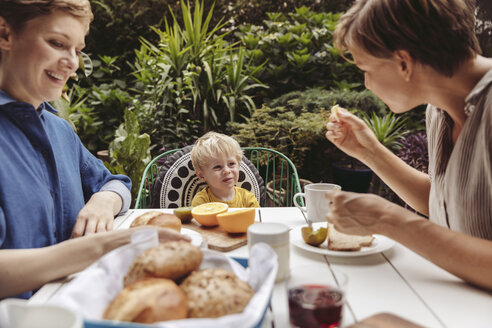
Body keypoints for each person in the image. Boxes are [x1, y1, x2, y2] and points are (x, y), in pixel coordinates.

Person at [0, 0, 189, 299]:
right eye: (57, 43)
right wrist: (102, 246)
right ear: (5, 34)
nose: (72, 62)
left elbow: (116, 183)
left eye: (78, 50)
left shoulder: (60, 130)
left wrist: (104, 199)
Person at [324, 0, 492, 290]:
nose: (366, 83)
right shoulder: (438, 111)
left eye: (365, 68)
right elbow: (445, 204)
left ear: (404, 63)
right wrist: (369, 151)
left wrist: (390, 220)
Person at [190, 132, 260, 207]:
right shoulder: (201, 202)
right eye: (217, 167)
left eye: (231, 164)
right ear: (201, 176)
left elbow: (258, 218)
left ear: (238, 166)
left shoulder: (248, 199)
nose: (227, 171)